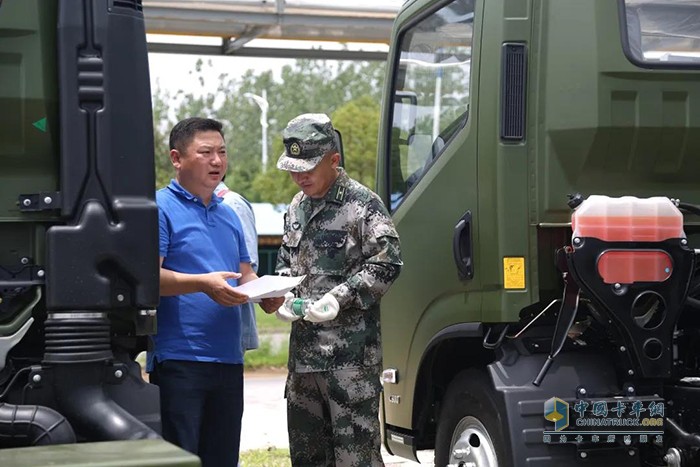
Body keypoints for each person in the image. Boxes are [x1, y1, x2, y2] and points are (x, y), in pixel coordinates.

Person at [272, 113, 403, 466]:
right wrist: (285, 294)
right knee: (308, 458)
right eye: (293, 168)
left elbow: (388, 263)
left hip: (350, 363)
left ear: (333, 160)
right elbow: (287, 260)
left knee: (355, 459)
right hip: (304, 362)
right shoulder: (296, 208)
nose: (300, 176)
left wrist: (338, 298)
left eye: (308, 167)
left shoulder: (362, 204)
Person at [155, 117, 283, 467]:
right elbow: (148, 278)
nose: (217, 161)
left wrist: (265, 294)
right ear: (177, 158)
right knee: (182, 459)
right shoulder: (160, 208)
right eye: (206, 152)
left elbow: (245, 274)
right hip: (181, 360)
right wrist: (202, 283)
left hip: (229, 359)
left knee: (222, 458)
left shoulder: (229, 216)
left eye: (222, 152)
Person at [215, 178, 260, 354]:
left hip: (226, 325)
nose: (215, 160)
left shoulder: (231, 203)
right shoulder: (170, 202)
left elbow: (247, 269)